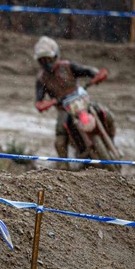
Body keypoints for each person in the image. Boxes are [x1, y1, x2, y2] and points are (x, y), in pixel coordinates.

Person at [32, 36, 115, 170]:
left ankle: (111, 140)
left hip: (81, 101)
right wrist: (44, 104)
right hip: (64, 109)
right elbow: (38, 101)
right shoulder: (41, 78)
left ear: (55, 56)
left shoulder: (68, 66)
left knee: (106, 114)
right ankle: (64, 167)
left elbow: (86, 71)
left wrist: (96, 74)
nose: (46, 63)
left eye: (48, 59)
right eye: (42, 60)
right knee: (60, 138)